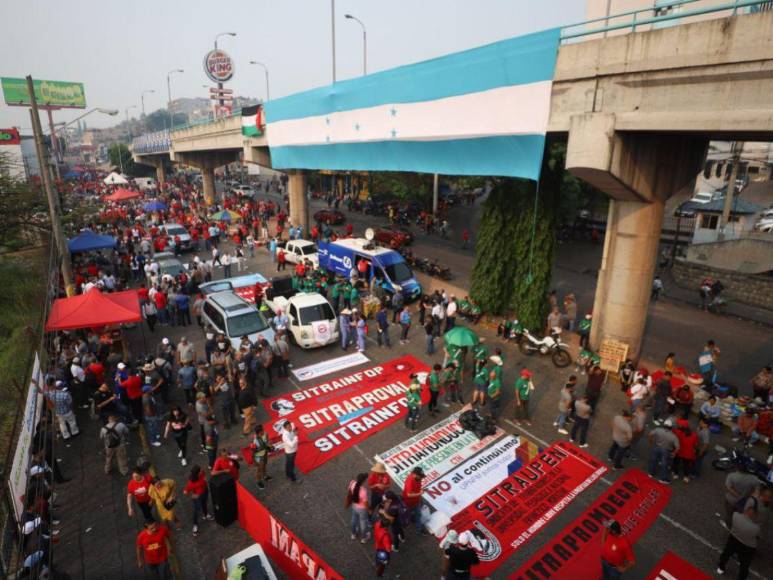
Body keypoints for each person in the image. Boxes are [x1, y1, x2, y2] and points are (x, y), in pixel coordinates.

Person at [717, 503, 760, 579]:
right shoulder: (756, 528)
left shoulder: (736, 516)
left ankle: (721, 567)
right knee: (744, 564)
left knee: (726, 553)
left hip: (733, 539)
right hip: (747, 547)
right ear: (754, 515)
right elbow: (757, 537)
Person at [183, 464, 213, 536]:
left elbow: (204, 474)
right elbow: (185, 491)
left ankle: (206, 514)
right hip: (198, 497)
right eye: (200, 471)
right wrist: (192, 496)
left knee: (204, 503)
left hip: (205, 491)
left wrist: (205, 480)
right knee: (196, 511)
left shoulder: (202, 473)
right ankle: (195, 525)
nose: (201, 471)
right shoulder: (191, 482)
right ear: (196, 473)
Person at [647, 419, 680, 484]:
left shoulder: (658, 430)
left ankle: (651, 473)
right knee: (664, 464)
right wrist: (674, 453)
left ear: (664, 425)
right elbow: (677, 447)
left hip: (656, 447)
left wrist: (650, 441)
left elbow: (650, 434)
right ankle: (663, 478)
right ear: (671, 427)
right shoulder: (673, 436)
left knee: (653, 460)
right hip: (666, 450)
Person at [347, 473, 371, 543]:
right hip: (362, 509)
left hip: (354, 505)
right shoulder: (363, 491)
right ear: (364, 481)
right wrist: (368, 510)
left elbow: (349, 491)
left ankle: (353, 534)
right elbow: (365, 503)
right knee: (363, 522)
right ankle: (364, 538)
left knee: (354, 520)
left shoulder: (352, 483)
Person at [402, 467, 425, 534]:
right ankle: (408, 524)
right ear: (415, 474)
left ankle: (418, 529)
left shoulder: (417, 478)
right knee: (411, 514)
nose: (421, 478)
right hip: (408, 502)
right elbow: (409, 494)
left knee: (417, 514)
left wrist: (419, 492)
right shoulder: (410, 480)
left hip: (416, 500)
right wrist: (420, 493)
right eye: (420, 476)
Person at [252, 424, 272, 490]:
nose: (264, 431)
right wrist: (254, 461)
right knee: (259, 469)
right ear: (259, 432)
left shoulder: (265, 433)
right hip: (259, 457)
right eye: (262, 430)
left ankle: (265, 476)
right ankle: (258, 481)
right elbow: (253, 452)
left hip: (264, 453)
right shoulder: (255, 441)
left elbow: (267, 439)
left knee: (264, 465)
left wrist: (269, 445)